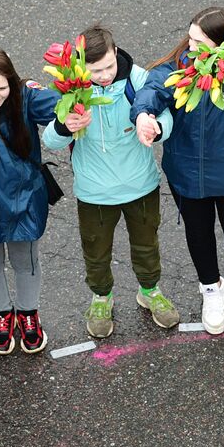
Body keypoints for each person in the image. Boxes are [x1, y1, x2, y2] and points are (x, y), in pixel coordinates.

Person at [135, 8, 224, 335]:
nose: (191, 46)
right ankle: (211, 289)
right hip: (189, 169)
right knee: (198, 233)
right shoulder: (181, 62)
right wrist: (144, 114)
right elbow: (153, 88)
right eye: (191, 37)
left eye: (200, 41)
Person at [42, 26, 180, 337]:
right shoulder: (71, 89)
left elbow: (168, 117)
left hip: (141, 185)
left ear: (116, 52)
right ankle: (101, 297)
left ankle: (149, 291)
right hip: (94, 191)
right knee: (96, 251)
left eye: (108, 66)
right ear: (80, 66)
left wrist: (155, 126)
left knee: (147, 245)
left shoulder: (140, 81)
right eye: (95, 70)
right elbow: (49, 138)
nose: (104, 75)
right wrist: (65, 126)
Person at [0, 50, 61, 355]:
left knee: (26, 260)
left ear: (12, 81)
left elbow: (59, 108)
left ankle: (28, 313)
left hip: (23, 195)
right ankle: (2, 314)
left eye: (2, 87)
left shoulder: (26, 96)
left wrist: (72, 105)